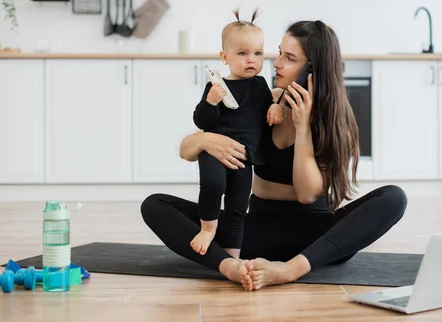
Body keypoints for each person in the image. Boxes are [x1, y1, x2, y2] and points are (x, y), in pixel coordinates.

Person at [141, 20, 408, 291]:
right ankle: (229, 266)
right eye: (279, 52)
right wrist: (207, 140)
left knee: (394, 197)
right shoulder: (266, 102)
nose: (276, 63)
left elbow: (306, 194)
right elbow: (185, 150)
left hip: (317, 237)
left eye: (289, 58)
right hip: (256, 231)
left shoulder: (335, 122)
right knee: (155, 205)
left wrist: (303, 126)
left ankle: (290, 269)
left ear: (312, 71)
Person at [190, 9, 283, 257]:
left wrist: (274, 108)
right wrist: (211, 101)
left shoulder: (261, 85)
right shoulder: (217, 86)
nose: (251, 59)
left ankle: (232, 253)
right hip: (215, 151)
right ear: (225, 57)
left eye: (257, 53)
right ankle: (208, 228)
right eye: (242, 53)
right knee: (214, 183)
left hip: (244, 156)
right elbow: (201, 121)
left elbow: (264, 114)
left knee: (239, 204)